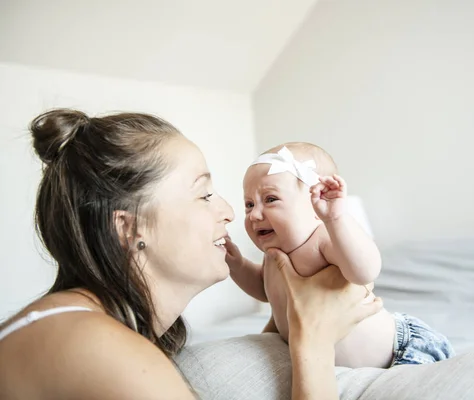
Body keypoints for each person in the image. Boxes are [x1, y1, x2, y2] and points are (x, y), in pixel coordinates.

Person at [0, 109, 382, 400]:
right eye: (204, 195)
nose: (233, 212)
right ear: (129, 229)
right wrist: (311, 341)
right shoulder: (104, 352)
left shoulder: (80, 327)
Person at [226, 143, 455, 368]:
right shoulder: (273, 257)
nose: (255, 215)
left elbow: (364, 271)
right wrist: (237, 266)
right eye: (249, 204)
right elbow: (265, 292)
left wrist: (335, 219)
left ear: (318, 202)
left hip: (399, 353)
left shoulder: (324, 239)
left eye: (270, 199)